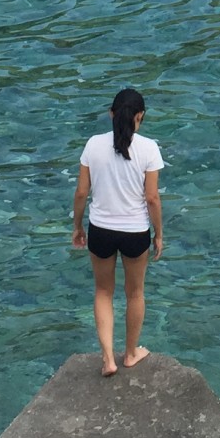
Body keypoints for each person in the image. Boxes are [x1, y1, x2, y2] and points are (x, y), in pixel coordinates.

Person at [72, 87, 164, 376]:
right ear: (141, 116)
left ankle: (108, 358)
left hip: (101, 229)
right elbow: (152, 199)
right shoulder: (149, 149)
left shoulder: (92, 145)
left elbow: (81, 192)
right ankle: (131, 354)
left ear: (111, 114)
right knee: (135, 293)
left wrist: (77, 226)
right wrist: (158, 234)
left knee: (103, 292)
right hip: (135, 232)